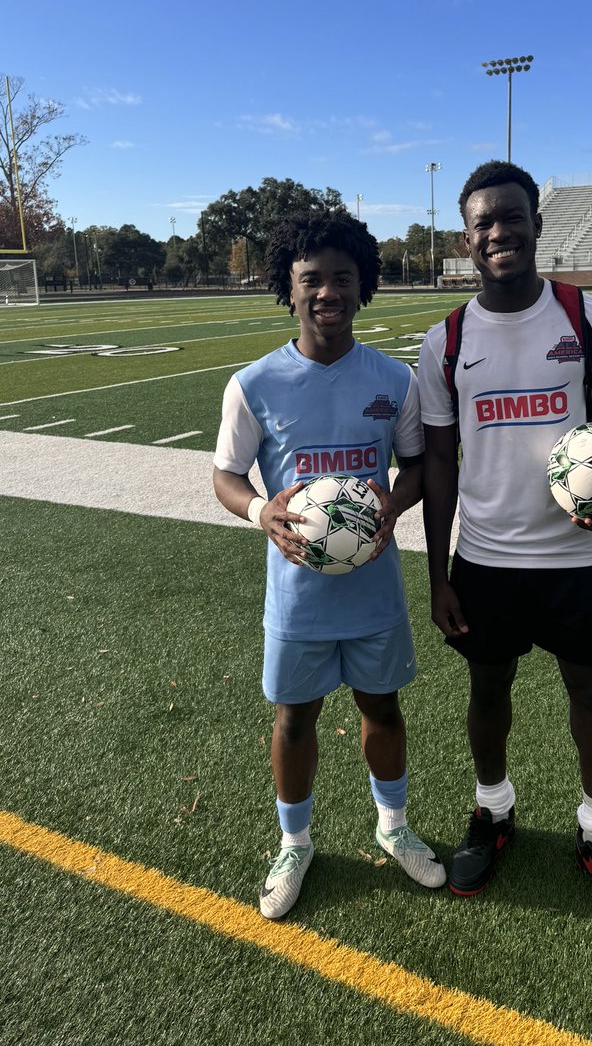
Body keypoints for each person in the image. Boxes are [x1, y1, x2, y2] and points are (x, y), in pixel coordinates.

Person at [417, 161, 592, 931]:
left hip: (574, 560)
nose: (498, 233)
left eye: (511, 217)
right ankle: (493, 812)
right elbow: (441, 460)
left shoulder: (589, 318)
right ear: (467, 238)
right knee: (487, 694)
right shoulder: (446, 340)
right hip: (484, 559)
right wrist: (438, 574)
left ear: (537, 224)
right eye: (483, 223)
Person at [213, 209, 445, 919]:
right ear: (289, 287)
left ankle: (394, 828)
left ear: (362, 285)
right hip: (297, 598)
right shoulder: (253, 384)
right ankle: (295, 842)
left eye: (342, 279)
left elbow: (420, 467)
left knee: (382, 707)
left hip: (373, 590)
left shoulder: (394, 380)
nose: (327, 293)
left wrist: (392, 505)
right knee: (294, 719)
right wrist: (261, 512)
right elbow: (226, 476)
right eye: (311, 279)